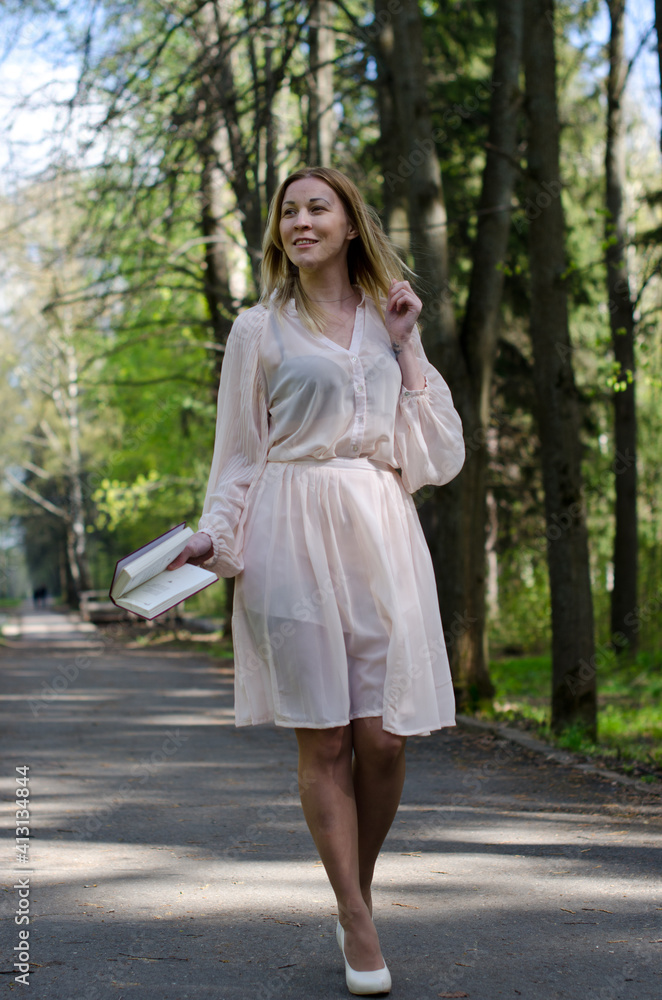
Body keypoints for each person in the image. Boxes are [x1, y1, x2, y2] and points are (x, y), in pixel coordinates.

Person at [168, 166, 465, 995]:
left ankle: (351, 892)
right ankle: (358, 919)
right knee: (326, 735)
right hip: (288, 531)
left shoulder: (386, 320)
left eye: (317, 208)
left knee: (385, 737)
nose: (301, 220)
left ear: (347, 224)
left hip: (380, 527)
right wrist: (214, 540)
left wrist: (408, 345)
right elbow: (238, 455)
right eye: (288, 211)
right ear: (279, 233)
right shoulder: (257, 330)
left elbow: (437, 455)